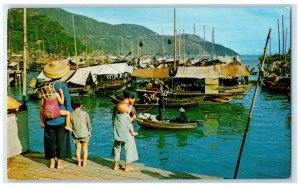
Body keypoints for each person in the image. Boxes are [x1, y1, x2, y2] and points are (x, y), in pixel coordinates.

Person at [42, 60, 72, 169]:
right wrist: (70, 117)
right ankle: (59, 163)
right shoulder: (62, 85)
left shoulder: (45, 86)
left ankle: (51, 163)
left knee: (50, 142)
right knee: (61, 140)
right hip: (60, 118)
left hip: (48, 118)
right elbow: (67, 102)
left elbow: (42, 104)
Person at [111, 88, 139, 172]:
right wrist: (133, 118)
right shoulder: (131, 108)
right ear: (130, 97)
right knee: (129, 148)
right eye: (134, 98)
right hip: (127, 132)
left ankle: (116, 165)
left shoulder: (117, 106)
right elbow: (133, 119)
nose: (134, 100)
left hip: (118, 131)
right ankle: (127, 166)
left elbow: (113, 117)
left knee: (117, 147)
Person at [70, 97, 92, 167]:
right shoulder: (85, 113)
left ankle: (79, 162)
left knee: (78, 149)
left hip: (76, 135)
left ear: (72, 105)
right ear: (81, 105)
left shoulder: (71, 115)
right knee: (85, 149)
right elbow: (89, 123)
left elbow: (70, 126)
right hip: (85, 134)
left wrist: (73, 132)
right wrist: (89, 131)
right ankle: (84, 163)